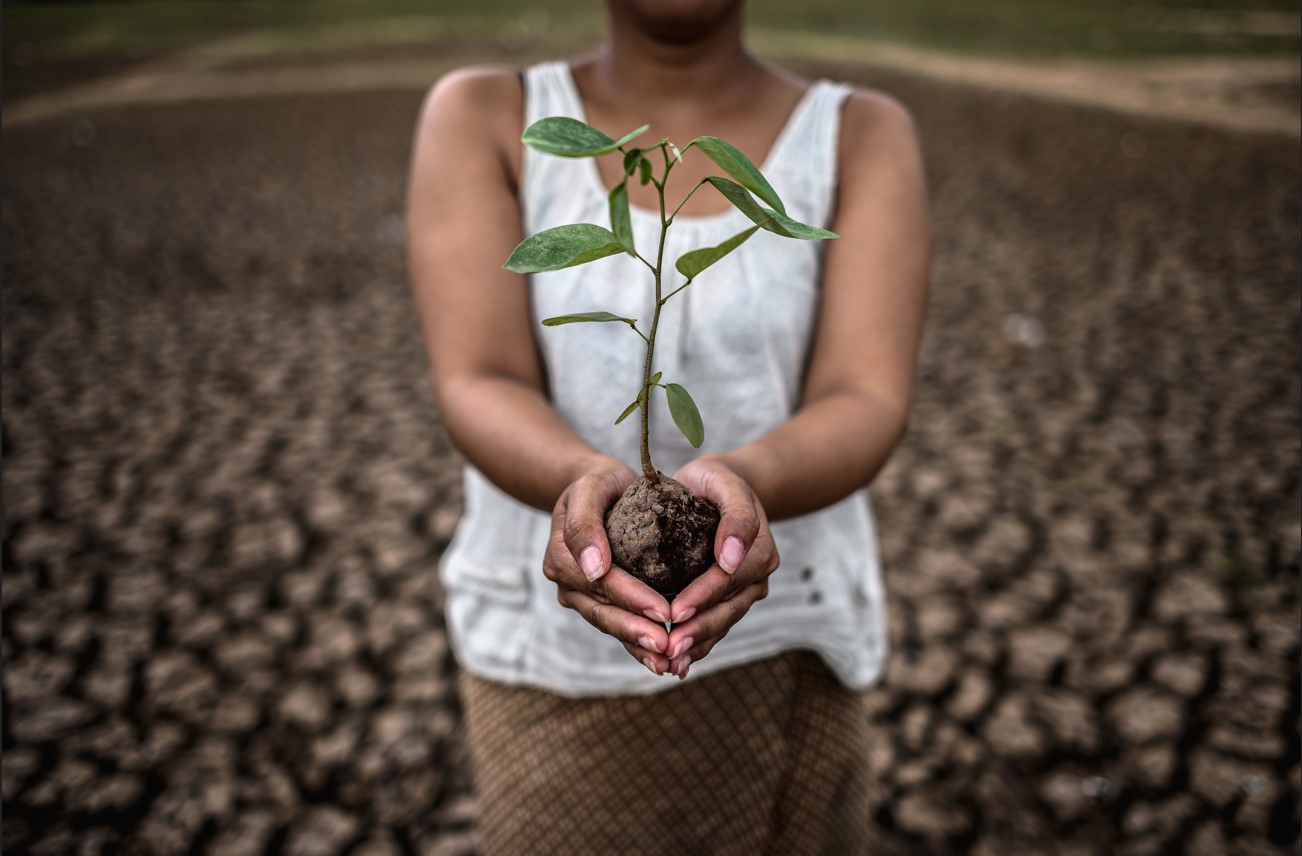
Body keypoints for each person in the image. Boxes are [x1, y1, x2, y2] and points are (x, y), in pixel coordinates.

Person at [406, 0, 929, 850]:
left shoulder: (857, 132)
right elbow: (477, 377)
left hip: (789, 640)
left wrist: (748, 483)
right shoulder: (487, 114)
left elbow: (866, 395)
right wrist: (586, 486)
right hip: (557, 668)